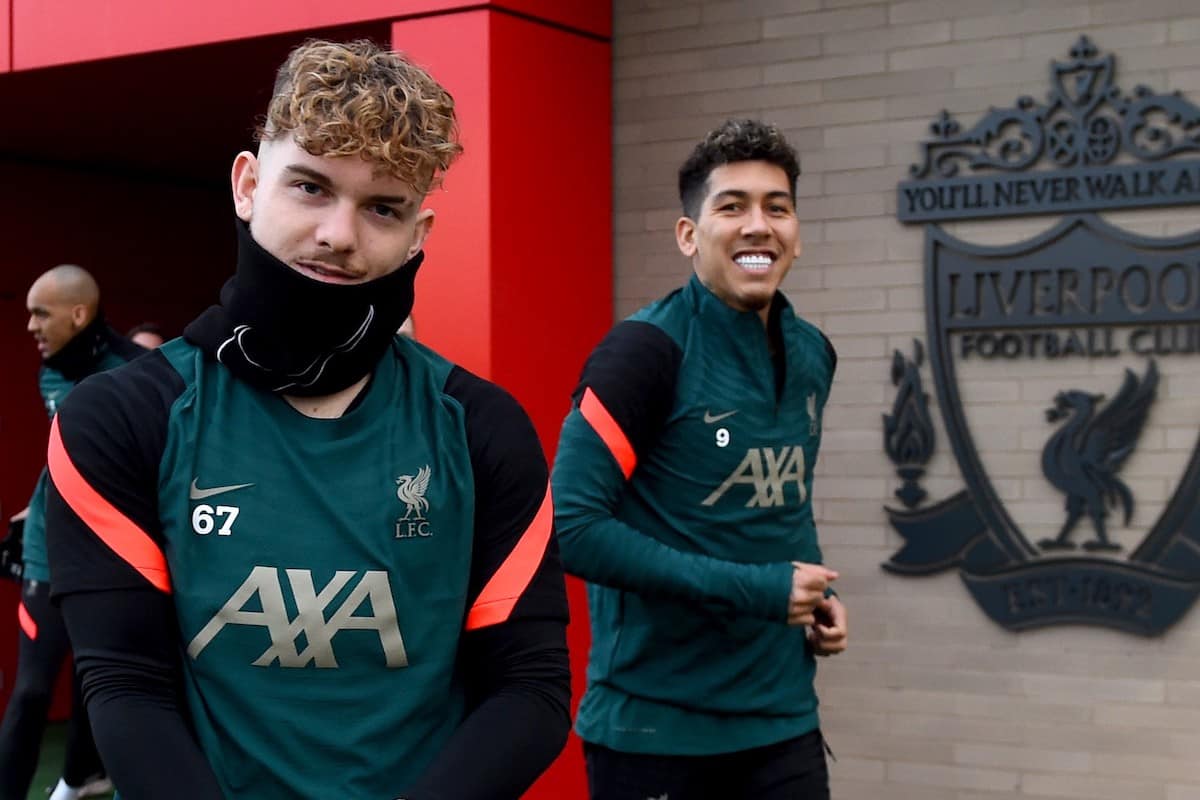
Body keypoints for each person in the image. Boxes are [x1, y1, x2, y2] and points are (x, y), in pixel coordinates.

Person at [43, 39, 569, 800]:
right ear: (248, 185)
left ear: (418, 236)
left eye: (381, 206)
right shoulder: (121, 418)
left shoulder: (481, 427)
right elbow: (126, 690)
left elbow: (531, 692)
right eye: (312, 188)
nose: (339, 235)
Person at [551, 118, 847, 800]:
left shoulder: (813, 354)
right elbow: (572, 527)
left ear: (796, 235)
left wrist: (817, 599)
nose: (758, 225)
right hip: (658, 735)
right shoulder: (643, 353)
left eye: (777, 207)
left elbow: (779, 507)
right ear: (690, 235)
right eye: (731, 206)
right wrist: (762, 591)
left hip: (784, 725)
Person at [0, 264, 142, 800]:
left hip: (107, 555)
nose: (31, 326)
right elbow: (63, 454)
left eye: (41, 312)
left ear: (79, 315)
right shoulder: (50, 372)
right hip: (46, 552)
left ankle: (80, 778)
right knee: (32, 691)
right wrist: (36, 503)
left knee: (98, 684)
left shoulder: (136, 372)